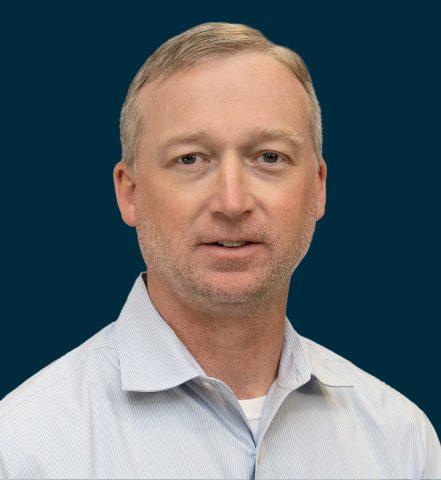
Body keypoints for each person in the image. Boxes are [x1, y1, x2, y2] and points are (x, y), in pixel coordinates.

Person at [0, 22, 439, 480]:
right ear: (130, 193)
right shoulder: (21, 450)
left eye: (269, 157)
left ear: (318, 188)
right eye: (190, 159)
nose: (232, 202)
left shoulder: (403, 442)